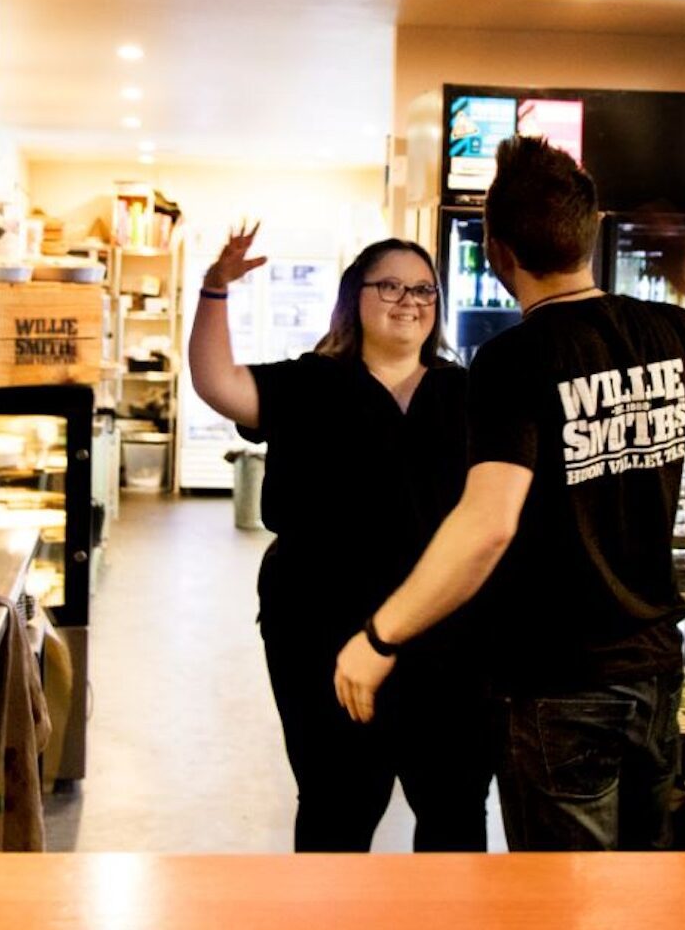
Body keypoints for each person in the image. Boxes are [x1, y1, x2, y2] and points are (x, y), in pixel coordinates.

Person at [331, 136, 685, 851]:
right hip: (654, 671)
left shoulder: (514, 358)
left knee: (564, 904)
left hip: (560, 684)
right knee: (642, 888)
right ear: (588, 236)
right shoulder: (666, 328)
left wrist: (381, 635)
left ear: (497, 252)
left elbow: (488, 523)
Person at [188, 227, 491, 853]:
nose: (409, 301)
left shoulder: (466, 394)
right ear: (355, 297)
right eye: (390, 286)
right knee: (338, 800)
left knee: (454, 804)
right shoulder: (310, 384)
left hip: (448, 636)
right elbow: (218, 382)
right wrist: (214, 290)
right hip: (320, 630)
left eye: (423, 290)